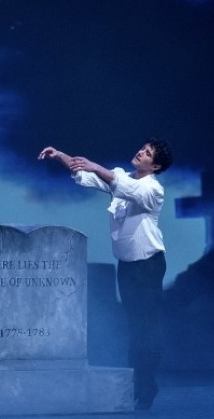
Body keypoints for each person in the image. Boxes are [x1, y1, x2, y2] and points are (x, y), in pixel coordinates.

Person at [38, 137, 173, 410]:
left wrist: (97, 167)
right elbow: (89, 176)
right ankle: (137, 385)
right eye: (142, 148)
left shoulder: (153, 189)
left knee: (145, 328)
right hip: (127, 265)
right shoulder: (122, 178)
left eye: (147, 153)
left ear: (155, 166)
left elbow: (121, 184)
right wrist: (61, 155)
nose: (140, 152)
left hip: (148, 265)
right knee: (134, 326)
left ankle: (146, 387)